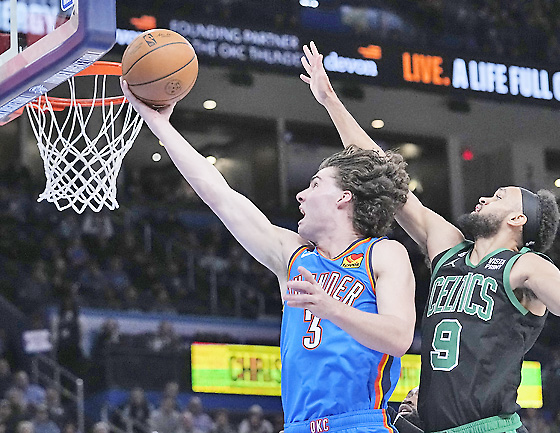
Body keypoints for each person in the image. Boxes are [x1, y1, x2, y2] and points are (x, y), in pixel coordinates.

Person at [300, 41, 560, 433]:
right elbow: (383, 174)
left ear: (517, 219)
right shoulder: (448, 246)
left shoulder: (524, 266)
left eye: (497, 197)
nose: (484, 197)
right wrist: (330, 101)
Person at [121, 79, 416, 433]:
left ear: (344, 198)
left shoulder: (383, 253)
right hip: (296, 426)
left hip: (359, 423)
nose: (301, 196)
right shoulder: (292, 255)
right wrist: (159, 125)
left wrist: (330, 307)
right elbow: (219, 195)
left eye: (316, 184)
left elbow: (399, 338)